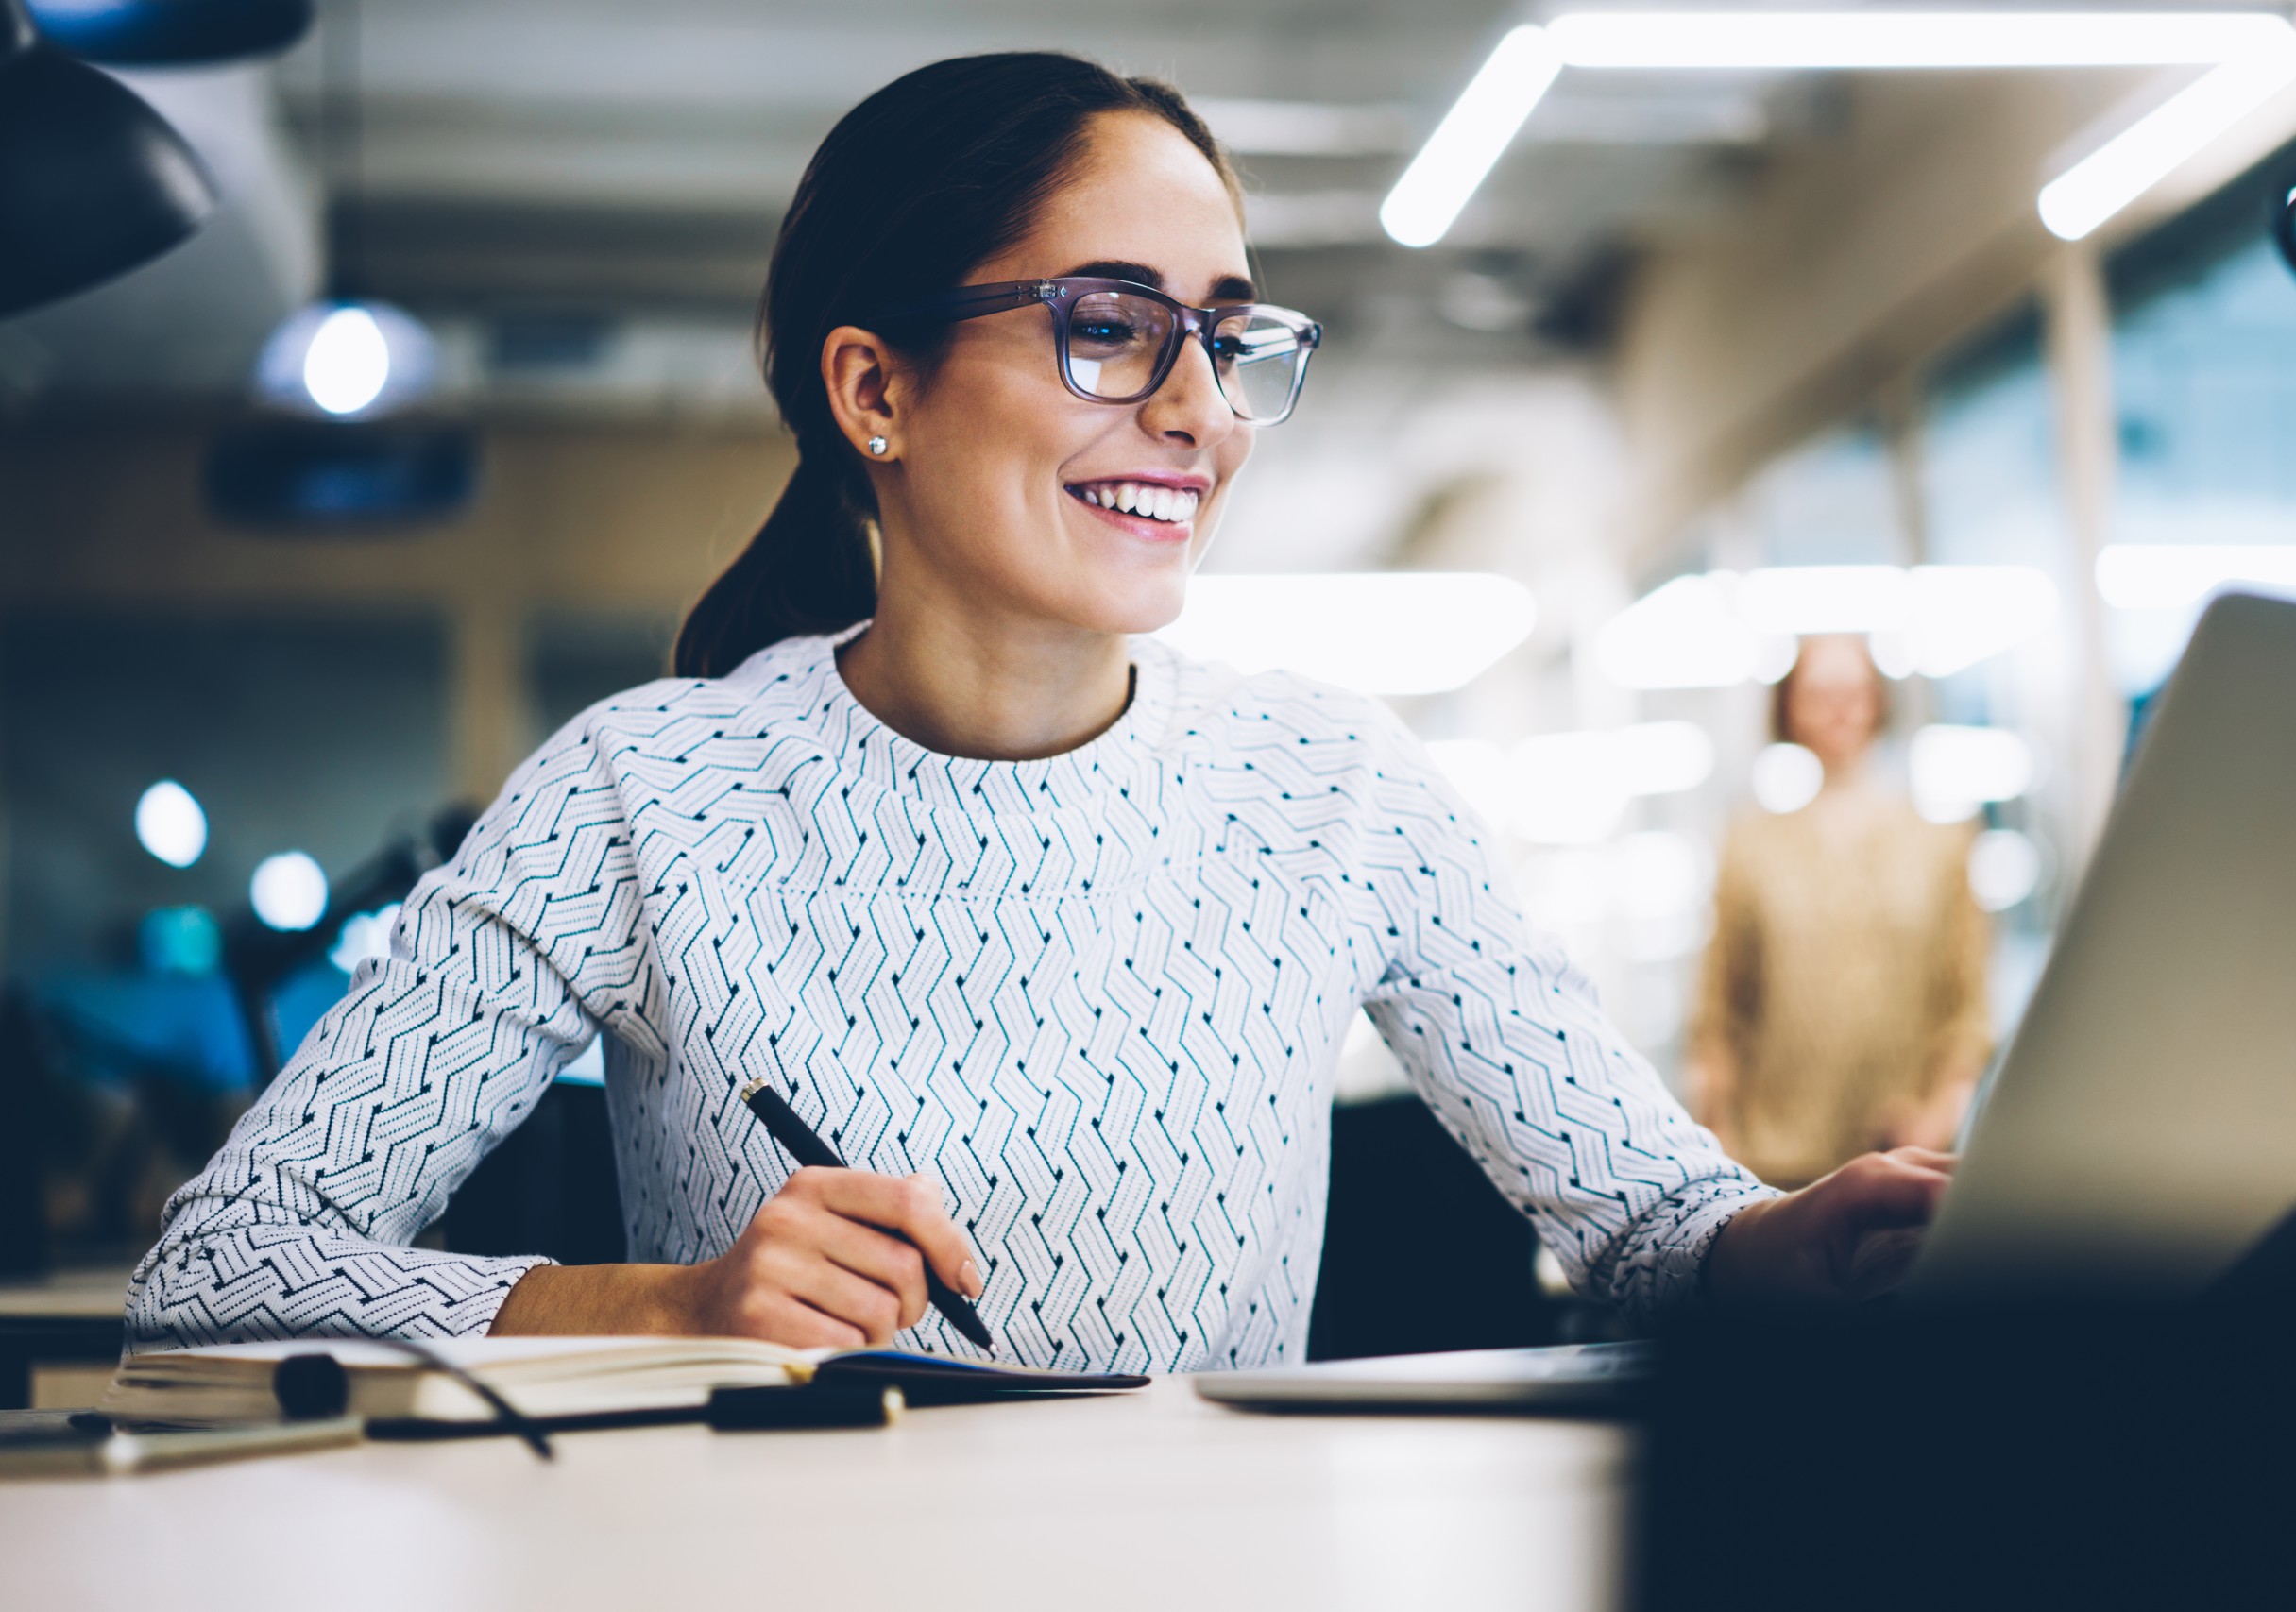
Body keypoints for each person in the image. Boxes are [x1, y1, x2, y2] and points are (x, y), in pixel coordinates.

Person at [128, 53, 1951, 1367]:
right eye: (1109, 324)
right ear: (877, 391)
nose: (1198, 410)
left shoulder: (1330, 787)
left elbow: (1645, 1229)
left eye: (1227, 336)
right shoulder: (643, 791)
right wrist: (660, 1305)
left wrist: (1796, 1238)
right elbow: (227, 1265)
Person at [1691, 634, 1992, 1190]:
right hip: (1776, 1164)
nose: (1839, 707)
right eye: (1819, 691)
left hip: (1904, 1161)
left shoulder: (1942, 845)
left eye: (1854, 689)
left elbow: (1966, 1012)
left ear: (1879, 700)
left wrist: (1936, 1118)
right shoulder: (1749, 847)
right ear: (1788, 707)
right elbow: (1719, 1015)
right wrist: (1721, 1143)